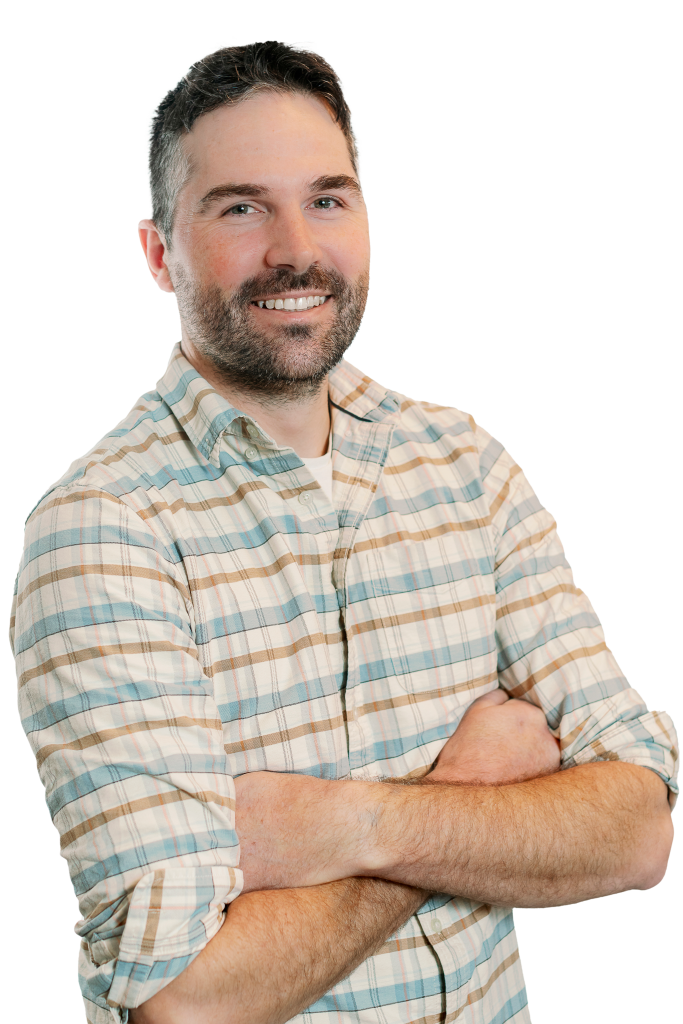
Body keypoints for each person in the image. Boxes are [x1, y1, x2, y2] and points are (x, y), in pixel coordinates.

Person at [11, 39, 678, 1024]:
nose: (294, 248)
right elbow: (186, 999)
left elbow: (634, 831)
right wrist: (464, 798)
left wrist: (347, 825)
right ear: (159, 253)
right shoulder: (105, 532)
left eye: (327, 198)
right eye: (240, 206)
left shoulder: (463, 465)